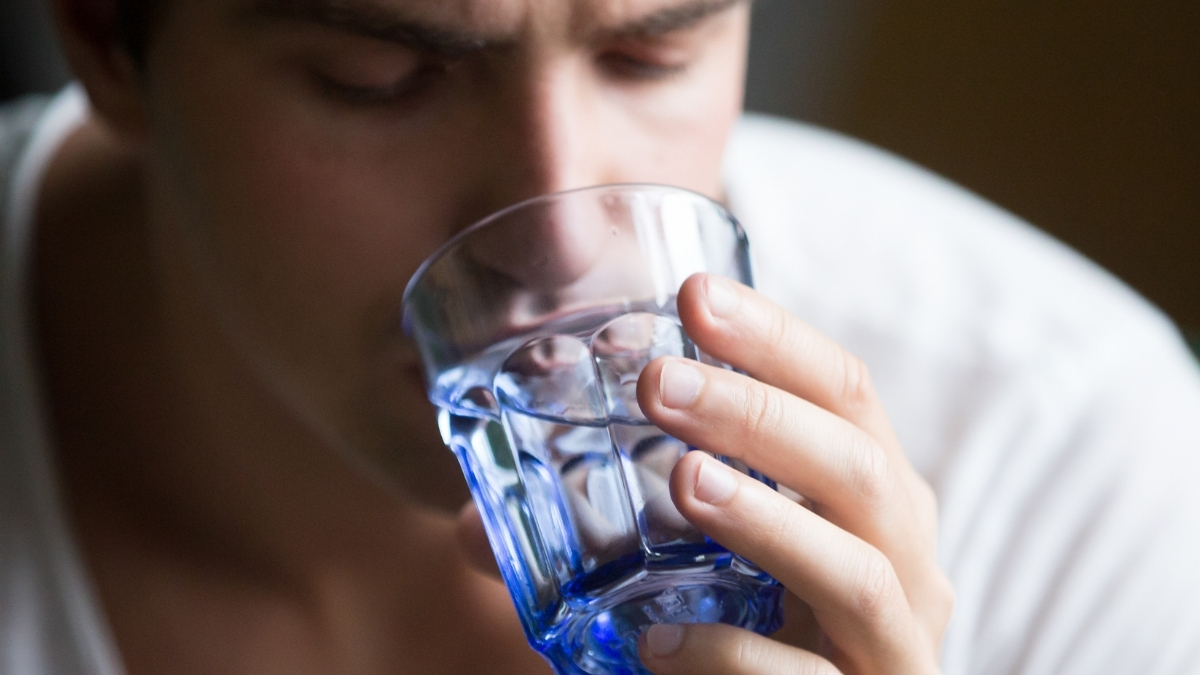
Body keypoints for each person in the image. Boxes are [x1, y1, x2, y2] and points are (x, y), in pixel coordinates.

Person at [2, 0, 1199, 673]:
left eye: (652, 54)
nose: (564, 244)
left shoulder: (1070, 465)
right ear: (108, 38)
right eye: (380, 78)